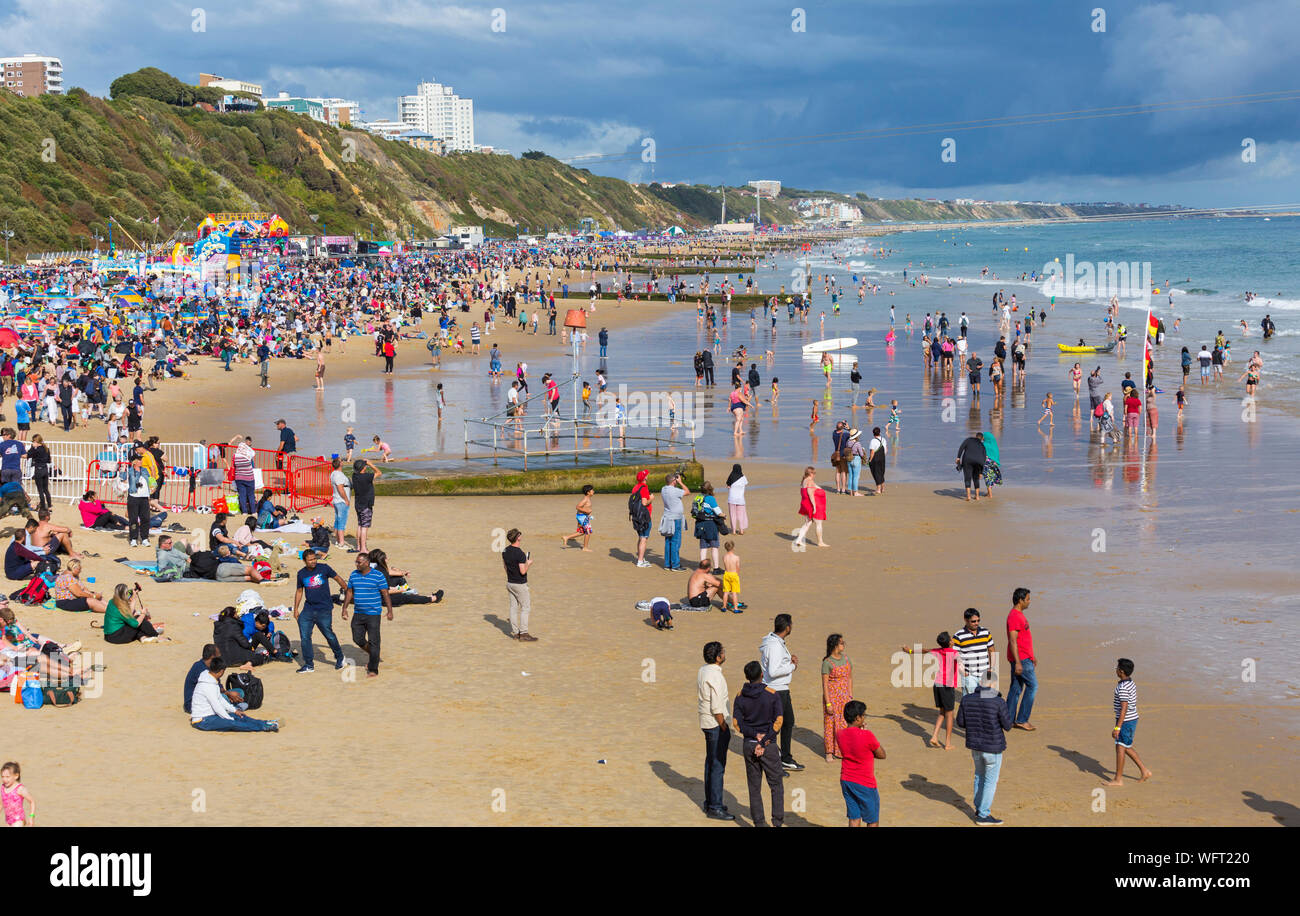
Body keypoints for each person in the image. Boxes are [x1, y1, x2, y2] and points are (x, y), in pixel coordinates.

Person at [732, 659, 785, 827]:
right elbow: (778, 721)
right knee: (776, 785)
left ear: (747, 677)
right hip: (768, 746)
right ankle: (777, 823)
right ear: (762, 675)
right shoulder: (772, 694)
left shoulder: (740, 697)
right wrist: (764, 741)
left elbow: (737, 724)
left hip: (749, 745)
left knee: (754, 787)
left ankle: (759, 823)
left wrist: (755, 735)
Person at [956, 669, 1012, 825]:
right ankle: (983, 814)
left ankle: (980, 809)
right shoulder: (998, 701)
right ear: (993, 684)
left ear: (981, 682)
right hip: (992, 747)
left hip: (976, 746)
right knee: (990, 780)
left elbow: (960, 722)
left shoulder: (967, 699)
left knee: (979, 776)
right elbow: (1008, 725)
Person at [697, 641, 735, 820]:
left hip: (706, 722)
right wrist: (724, 726)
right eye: (723, 652)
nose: (725, 654)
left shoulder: (703, 670)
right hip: (715, 724)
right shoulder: (716, 676)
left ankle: (710, 801)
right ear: (718, 657)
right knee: (718, 766)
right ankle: (715, 806)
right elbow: (717, 707)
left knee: (710, 763)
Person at [902, 632, 960, 748]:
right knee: (949, 714)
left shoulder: (937, 651)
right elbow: (959, 661)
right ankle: (948, 743)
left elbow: (923, 650)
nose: (953, 640)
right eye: (951, 639)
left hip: (937, 684)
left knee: (942, 712)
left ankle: (934, 736)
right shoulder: (954, 653)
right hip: (947, 686)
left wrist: (909, 651)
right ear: (949, 642)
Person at [293, 549, 347, 673]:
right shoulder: (301, 574)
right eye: (310, 560)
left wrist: (347, 590)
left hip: (324, 608)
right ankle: (308, 664)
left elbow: (338, 578)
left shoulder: (324, 568)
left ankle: (340, 657)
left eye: (314, 558)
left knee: (329, 635)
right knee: (305, 637)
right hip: (308, 609)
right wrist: (296, 609)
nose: (313, 561)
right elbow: (299, 591)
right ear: (304, 561)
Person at [190, 657, 280, 732]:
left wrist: (234, 711)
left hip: (211, 715)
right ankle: (263, 727)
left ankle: (265, 723)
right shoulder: (207, 686)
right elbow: (216, 706)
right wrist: (228, 719)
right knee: (233, 723)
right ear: (221, 671)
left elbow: (220, 699)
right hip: (202, 720)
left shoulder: (211, 679)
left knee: (239, 716)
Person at [760, 613, 802, 771]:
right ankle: (775, 761)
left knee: (787, 722)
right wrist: (792, 666)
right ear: (787, 627)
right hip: (777, 690)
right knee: (776, 726)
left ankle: (784, 758)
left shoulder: (774, 642)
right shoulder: (775, 645)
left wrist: (788, 660)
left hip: (780, 689)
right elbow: (773, 671)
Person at [340, 550, 392, 677]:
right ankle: (374, 654)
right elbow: (349, 592)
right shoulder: (354, 575)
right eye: (356, 562)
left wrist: (390, 610)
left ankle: (373, 668)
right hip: (358, 612)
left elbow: (385, 593)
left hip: (373, 613)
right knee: (357, 638)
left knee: (374, 641)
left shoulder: (378, 575)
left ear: (367, 562)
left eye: (359, 562)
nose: (356, 564)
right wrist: (344, 608)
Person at [1104, 658, 1153, 785]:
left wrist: (1117, 728)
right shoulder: (1129, 682)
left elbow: (1124, 708)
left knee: (1121, 748)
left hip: (1126, 721)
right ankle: (1144, 771)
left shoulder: (1123, 687)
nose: (1115, 670)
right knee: (1125, 747)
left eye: (1116, 668)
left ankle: (1118, 779)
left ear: (1121, 671)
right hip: (1130, 719)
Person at [838, 700, 885, 826]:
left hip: (846, 780)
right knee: (872, 820)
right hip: (865, 782)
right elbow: (882, 755)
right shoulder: (867, 735)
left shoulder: (839, 734)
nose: (864, 717)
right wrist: (865, 732)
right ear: (858, 718)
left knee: (854, 817)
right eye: (863, 715)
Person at [1005, 587, 1037, 730]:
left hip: (1025, 657)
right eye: (1028, 599)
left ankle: (1008, 719)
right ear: (1020, 600)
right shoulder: (1014, 617)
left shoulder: (1018, 615)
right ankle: (1022, 719)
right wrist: (1018, 662)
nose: (1029, 602)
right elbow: (1013, 640)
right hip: (1021, 659)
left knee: (1016, 688)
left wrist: (1032, 656)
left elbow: (1023, 639)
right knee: (1032, 686)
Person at [821, 633, 853, 761]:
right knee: (830, 724)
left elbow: (849, 678)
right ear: (834, 645)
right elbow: (824, 684)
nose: (843, 645)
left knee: (844, 724)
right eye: (841, 643)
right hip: (832, 697)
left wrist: (850, 696)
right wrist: (828, 703)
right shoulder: (827, 663)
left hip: (845, 697)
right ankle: (829, 751)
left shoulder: (846, 659)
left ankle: (842, 750)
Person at [502, 528, 536, 641]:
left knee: (513, 608)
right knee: (525, 608)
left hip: (510, 583)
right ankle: (524, 633)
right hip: (520, 584)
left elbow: (505, 567)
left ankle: (516, 633)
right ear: (518, 538)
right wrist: (528, 563)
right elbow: (523, 571)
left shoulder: (505, 551)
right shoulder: (520, 553)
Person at [953, 607, 994, 695]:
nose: (976, 623)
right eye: (973, 621)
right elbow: (954, 656)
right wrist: (963, 672)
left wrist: (991, 668)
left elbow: (992, 650)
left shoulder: (986, 632)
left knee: (986, 701)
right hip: (969, 675)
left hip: (985, 674)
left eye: (978, 620)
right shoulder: (958, 636)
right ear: (966, 620)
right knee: (969, 703)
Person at [659, 472, 690, 571]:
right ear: (673, 481)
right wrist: (680, 482)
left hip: (667, 517)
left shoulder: (663, 489)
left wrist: (675, 479)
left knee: (668, 542)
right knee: (675, 542)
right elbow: (687, 492)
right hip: (675, 518)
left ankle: (668, 564)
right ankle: (675, 565)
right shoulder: (675, 490)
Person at [691, 482, 724, 572]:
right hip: (710, 524)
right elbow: (718, 512)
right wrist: (724, 515)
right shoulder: (710, 498)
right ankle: (716, 568)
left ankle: (702, 568)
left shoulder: (697, 497)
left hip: (700, 523)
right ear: (710, 489)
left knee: (703, 547)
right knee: (714, 546)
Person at [351, 458, 381, 554]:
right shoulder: (367, 477)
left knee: (360, 525)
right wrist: (370, 464)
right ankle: (363, 548)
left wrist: (365, 464)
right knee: (364, 527)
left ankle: (359, 546)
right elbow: (379, 472)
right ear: (363, 468)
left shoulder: (354, 476)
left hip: (358, 504)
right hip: (366, 505)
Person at [794, 466, 828, 549]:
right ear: (811, 473)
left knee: (807, 523)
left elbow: (814, 488)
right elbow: (810, 494)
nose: (815, 475)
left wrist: (820, 489)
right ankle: (820, 542)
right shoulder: (810, 481)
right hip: (810, 504)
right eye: (814, 473)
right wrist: (814, 506)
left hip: (804, 503)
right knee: (818, 523)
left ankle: (798, 540)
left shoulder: (804, 481)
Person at [630, 469, 653, 568]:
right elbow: (644, 502)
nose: (648, 476)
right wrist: (651, 498)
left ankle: (641, 558)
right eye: (647, 475)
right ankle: (640, 561)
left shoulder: (635, 487)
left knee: (640, 537)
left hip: (637, 516)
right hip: (644, 517)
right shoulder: (644, 488)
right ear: (644, 478)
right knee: (644, 538)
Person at [0, 762, 35, 827]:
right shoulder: (2, 788)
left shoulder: (20, 789)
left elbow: (32, 801)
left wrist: (31, 817)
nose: (4, 779)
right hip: (8, 820)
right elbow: (1, 804)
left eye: (7, 777)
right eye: (2, 776)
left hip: (18, 819)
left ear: (16, 776)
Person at [562, 485, 594, 551]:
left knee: (581, 531)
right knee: (588, 532)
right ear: (588, 492)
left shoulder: (587, 499)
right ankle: (585, 548)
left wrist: (589, 515)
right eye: (592, 490)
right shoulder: (585, 499)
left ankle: (566, 537)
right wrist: (586, 511)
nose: (594, 491)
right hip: (582, 517)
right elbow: (578, 507)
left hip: (583, 517)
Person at [956, 434, 987, 502]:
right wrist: (981, 471)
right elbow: (984, 457)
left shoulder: (968, 440)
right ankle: (977, 496)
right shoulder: (982, 445)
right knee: (976, 478)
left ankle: (969, 496)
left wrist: (958, 457)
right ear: (982, 439)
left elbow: (962, 447)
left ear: (976, 436)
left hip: (967, 460)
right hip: (978, 462)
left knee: (967, 478)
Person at [329, 457, 351, 550]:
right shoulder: (338, 475)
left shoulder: (334, 473)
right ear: (340, 464)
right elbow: (340, 488)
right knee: (342, 522)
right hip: (341, 500)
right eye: (341, 461)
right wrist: (346, 499)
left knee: (338, 521)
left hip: (336, 500)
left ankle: (338, 541)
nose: (343, 461)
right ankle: (341, 543)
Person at [26, 434, 51, 511]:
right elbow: (48, 460)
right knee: (46, 489)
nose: (32, 443)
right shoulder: (46, 449)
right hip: (45, 469)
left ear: (36, 441)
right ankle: (49, 506)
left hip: (39, 470)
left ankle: (43, 507)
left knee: (40, 490)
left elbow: (28, 455)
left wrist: (32, 448)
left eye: (33, 441)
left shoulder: (36, 449)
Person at [720, 540, 745, 612]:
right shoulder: (736, 557)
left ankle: (724, 606)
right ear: (733, 547)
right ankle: (736, 608)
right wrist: (737, 574)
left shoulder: (724, 557)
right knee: (734, 593)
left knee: (726, 592)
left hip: (727, 574)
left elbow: (725, 566)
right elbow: (738, 568)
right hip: (734, 574)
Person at [725, 464, 748, 535]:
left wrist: (731, 487)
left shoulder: (731, 476)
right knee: (741, 515)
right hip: (740, 499)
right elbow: (746, 483)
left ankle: (734, 531)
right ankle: (741, 530)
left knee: (732, 515)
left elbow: (728, 485)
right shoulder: (743, 478)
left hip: (732, 499)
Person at [866, 426, 887, 495]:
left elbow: (872, 452)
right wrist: (883, 456)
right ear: (879, 432)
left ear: (873, 433)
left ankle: (878, 489)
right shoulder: (883, 439)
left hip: (875, 459)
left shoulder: (873, 441)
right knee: (881, 472)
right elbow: (886, 449)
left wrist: (870, 460)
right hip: (882, 457)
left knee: (876, 473)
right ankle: (883, 488)